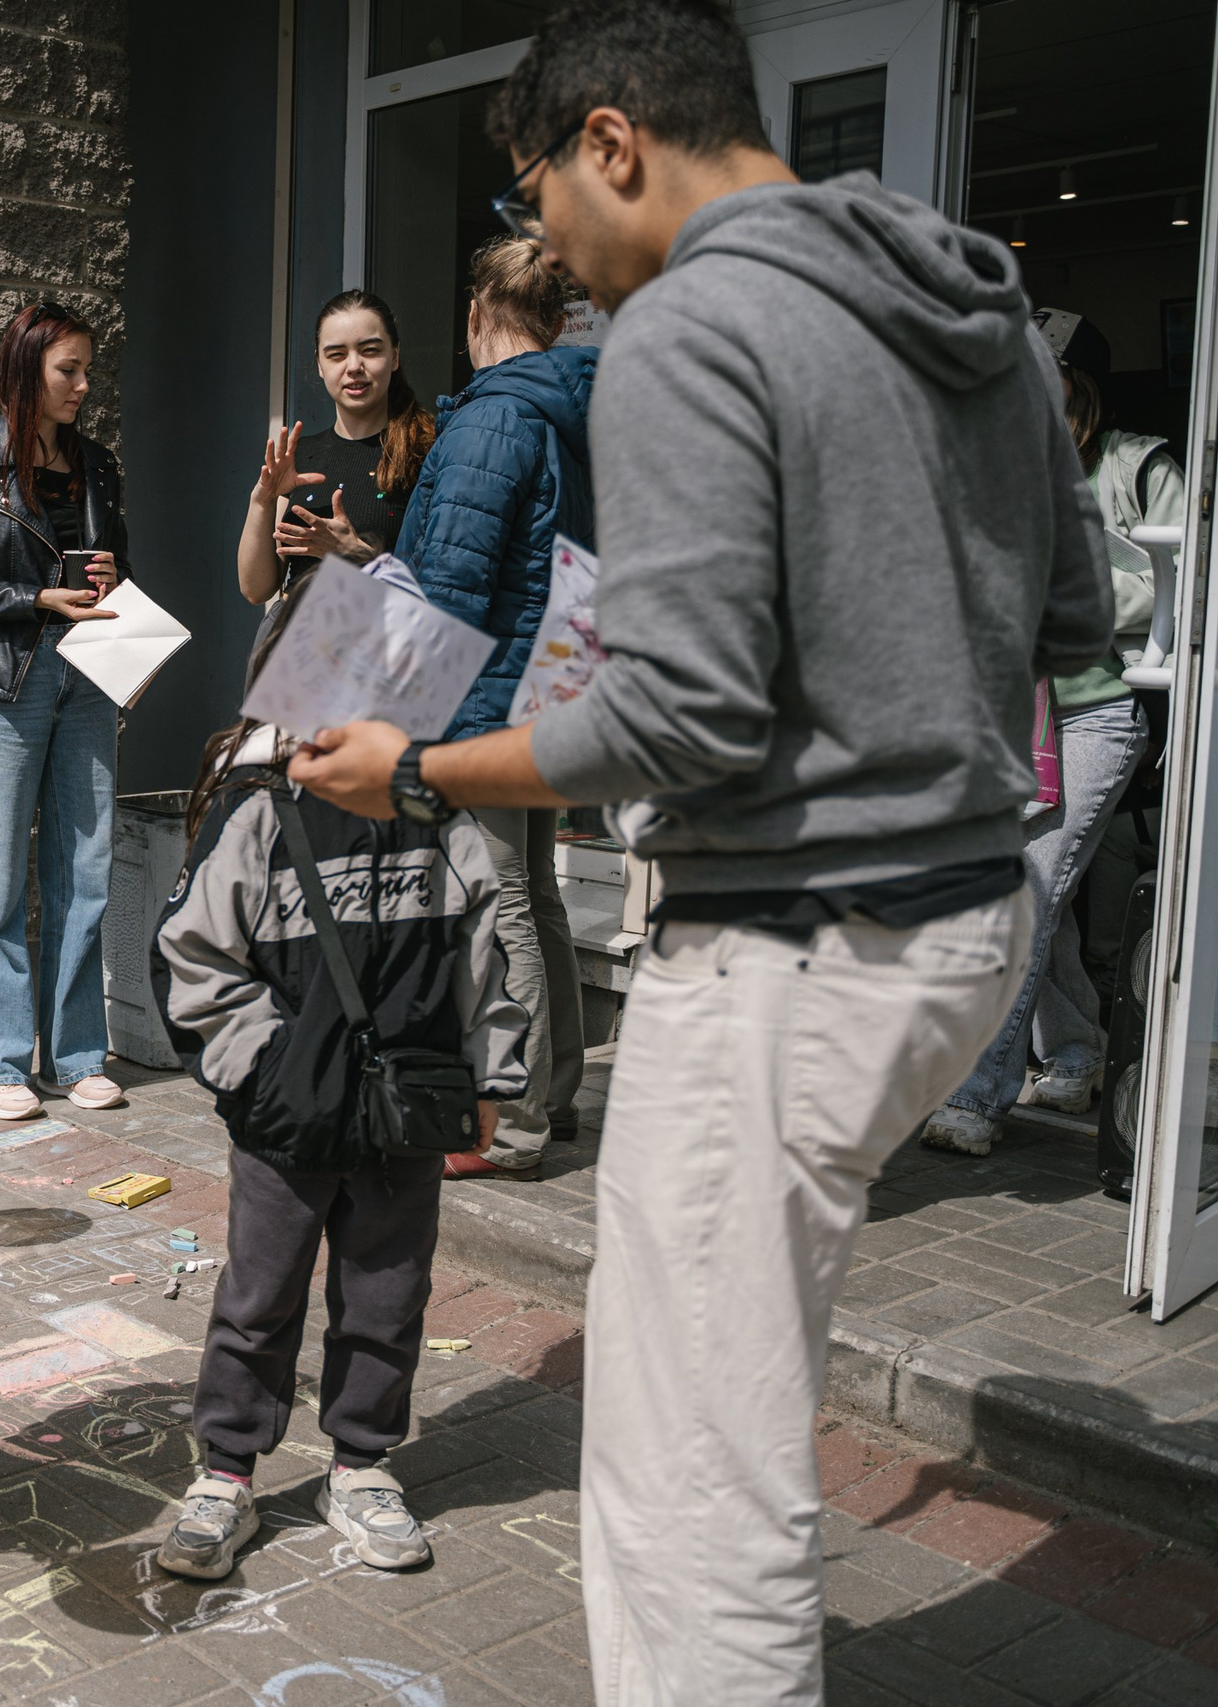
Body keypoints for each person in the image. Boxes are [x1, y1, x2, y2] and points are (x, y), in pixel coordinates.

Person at [282, 3, 1113, 1700]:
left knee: (689, 1458)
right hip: (965, 918)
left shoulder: (684, 330)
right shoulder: (985, 316)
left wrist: (415, 769)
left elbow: (679, 717)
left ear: (611, 142)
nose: (548, 246)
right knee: (741, 1378)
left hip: (789, 940)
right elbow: (1074, 621)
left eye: (535, 194)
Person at [148, 617, 528, 1580]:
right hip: (286, 1121)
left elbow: (487, 962)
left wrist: (492, 1077)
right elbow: (191, 956)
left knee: (388, 1294)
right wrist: (262, 1071)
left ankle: (361, 1464)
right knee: (258, 1297)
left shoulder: (443, 822)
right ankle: (226, 1470)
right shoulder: (259, 817)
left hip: (408, 1116)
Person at [922, 308, 1167, 1156]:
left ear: (1076, 384)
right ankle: (1071, 1053)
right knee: (1035, 890)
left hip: (1098, 706)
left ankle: (976, 1091)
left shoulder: (1139, 466)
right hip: (1014, 710)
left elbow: (1186, 581)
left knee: (1026, 890)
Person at [394, 235, 597, 1180]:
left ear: (476, 314)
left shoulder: (492, 420)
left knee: (501, 899)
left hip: (486, 699)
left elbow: (451, 587)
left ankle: (510, 1120)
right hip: (548, 686)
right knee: (537, 894)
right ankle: (554, 1093)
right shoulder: (566, 413)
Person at [0, 300, 131, 1122]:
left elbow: (119, 569)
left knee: (83, 867)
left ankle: (76, 1054)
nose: (82, 386)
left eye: (87, 371)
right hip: (6, 678)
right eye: (67, 370)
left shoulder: (98, 465)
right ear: (26, 369)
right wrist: (37, 597)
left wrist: (111, 576)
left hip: (88, 672)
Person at [234, 291, 437, 641]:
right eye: (337, 354)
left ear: (394, 356)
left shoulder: (427, 451)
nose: (353, 366)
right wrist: (263, 500)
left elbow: (443, 585)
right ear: (320, 364)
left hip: (376, 648)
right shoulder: (302, 456)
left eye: (370, 350)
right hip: (293, 647)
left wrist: (355, 555)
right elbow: (256, 589)